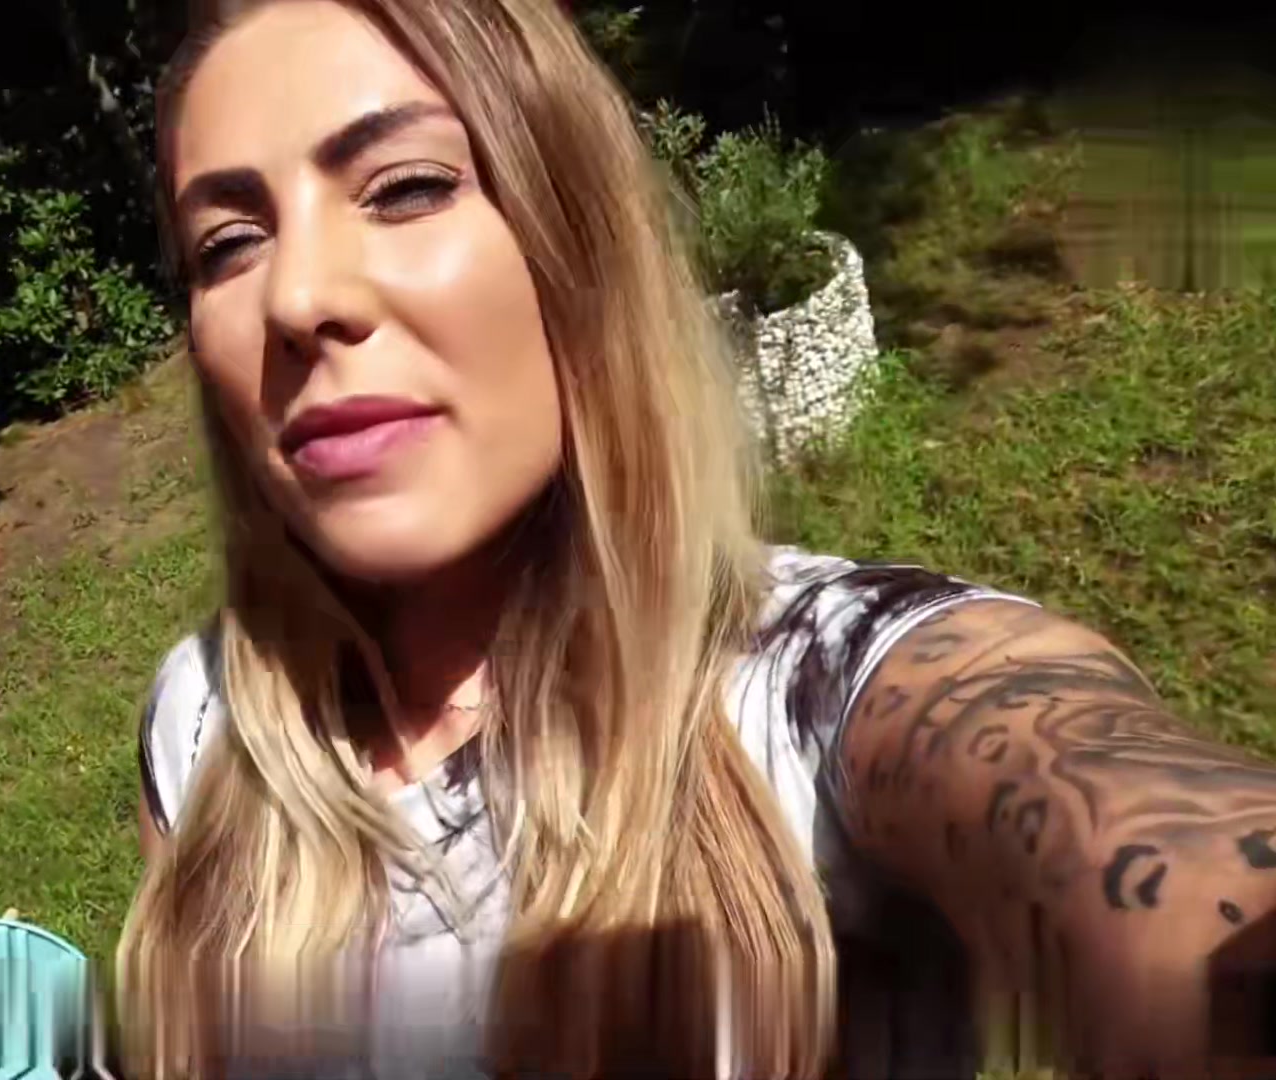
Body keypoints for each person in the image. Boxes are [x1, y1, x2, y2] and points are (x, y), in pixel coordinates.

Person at [113, 1, 1276, 1076]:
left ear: (578, 235)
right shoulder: (210, 721)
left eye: (406, 188)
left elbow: (1117, 817)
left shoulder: (813, 687)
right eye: (227, 246)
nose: (296, 298)